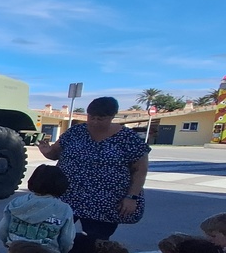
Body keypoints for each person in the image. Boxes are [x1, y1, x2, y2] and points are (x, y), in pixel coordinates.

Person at [37, 96, 150, 240]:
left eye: (101, 118)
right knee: (53, 237)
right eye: (91, 117)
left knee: (96, 242)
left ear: (112, 116)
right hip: (68, 197)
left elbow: (140, 170)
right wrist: (46, 151)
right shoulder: (76, 132)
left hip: (105, 202)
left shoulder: (128, 138)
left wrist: (131, 197)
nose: (94, 122)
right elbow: (54, 154)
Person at [0, 164, 76, 253]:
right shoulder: (63, 209)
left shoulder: (16, 203)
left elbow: (1, 230)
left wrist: (9, 244)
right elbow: (67, 240)